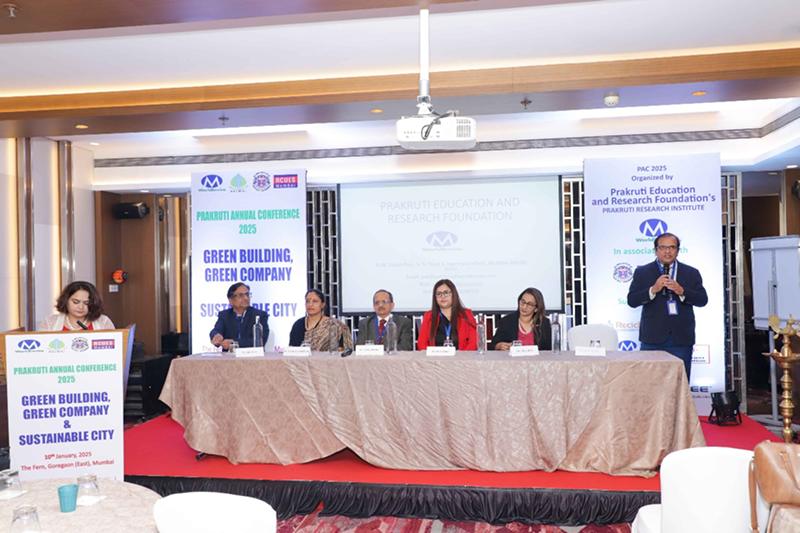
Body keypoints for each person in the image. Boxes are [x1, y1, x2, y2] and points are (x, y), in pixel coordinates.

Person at [627, 232, 708, 381]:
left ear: (678, 250)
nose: (667, 251)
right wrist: (653, 290)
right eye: (663, 247)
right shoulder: (642, 272)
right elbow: (632, 300)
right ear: (656, 250)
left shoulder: (691, 272)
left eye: (672, 247)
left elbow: (702, 300)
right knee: (650, 383)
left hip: (681, 339)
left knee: (679, 384)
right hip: (652, 339)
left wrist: (682, 291)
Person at [417, 279, 477, 350]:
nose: (442, 296)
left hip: (461, 356)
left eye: (446, 293)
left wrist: (462, 356)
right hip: (435, 357)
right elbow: (421, 344)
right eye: (439, 294)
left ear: (453, 294)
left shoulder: (466, 314)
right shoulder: (428, 316)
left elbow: (474, 342)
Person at [209, 282, 269, 350]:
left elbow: (261, 341)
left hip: (253, 355)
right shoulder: (224, 315)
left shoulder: (260, 315)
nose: (246, 298)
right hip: (229, 356)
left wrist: (234, 343)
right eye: (241, 295)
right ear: (231, 300)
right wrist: (216, 336)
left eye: (247, 294)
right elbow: (216, 330)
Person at [289, 289, 354, 351]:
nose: (310, 304)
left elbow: (347, 350)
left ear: (322, 305)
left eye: (315, 301)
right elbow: (292, 349)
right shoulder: (298, 324)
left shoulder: (335, 325)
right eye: (307, 301)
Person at [40, 281, 115, 331]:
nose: (81, 307)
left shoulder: (103, 321)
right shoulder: (50, 322)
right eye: (76, 302)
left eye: (86, 303)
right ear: (66, 300)